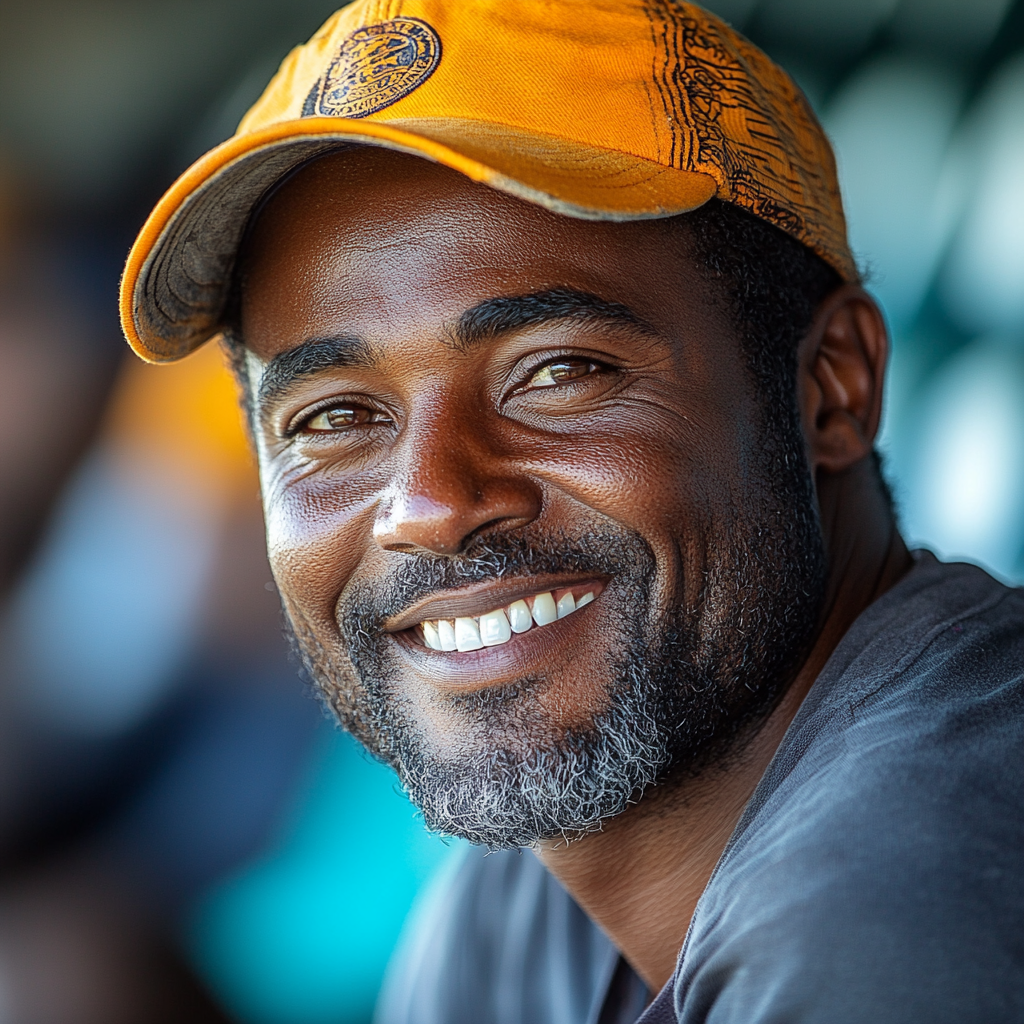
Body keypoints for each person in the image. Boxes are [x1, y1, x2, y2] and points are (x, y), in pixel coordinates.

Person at [118, 2, 1024, 1021]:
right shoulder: (527, 892)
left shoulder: (903, 912)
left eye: (555, 372)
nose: (428, 504)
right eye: (334, 417)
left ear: (831, 388)